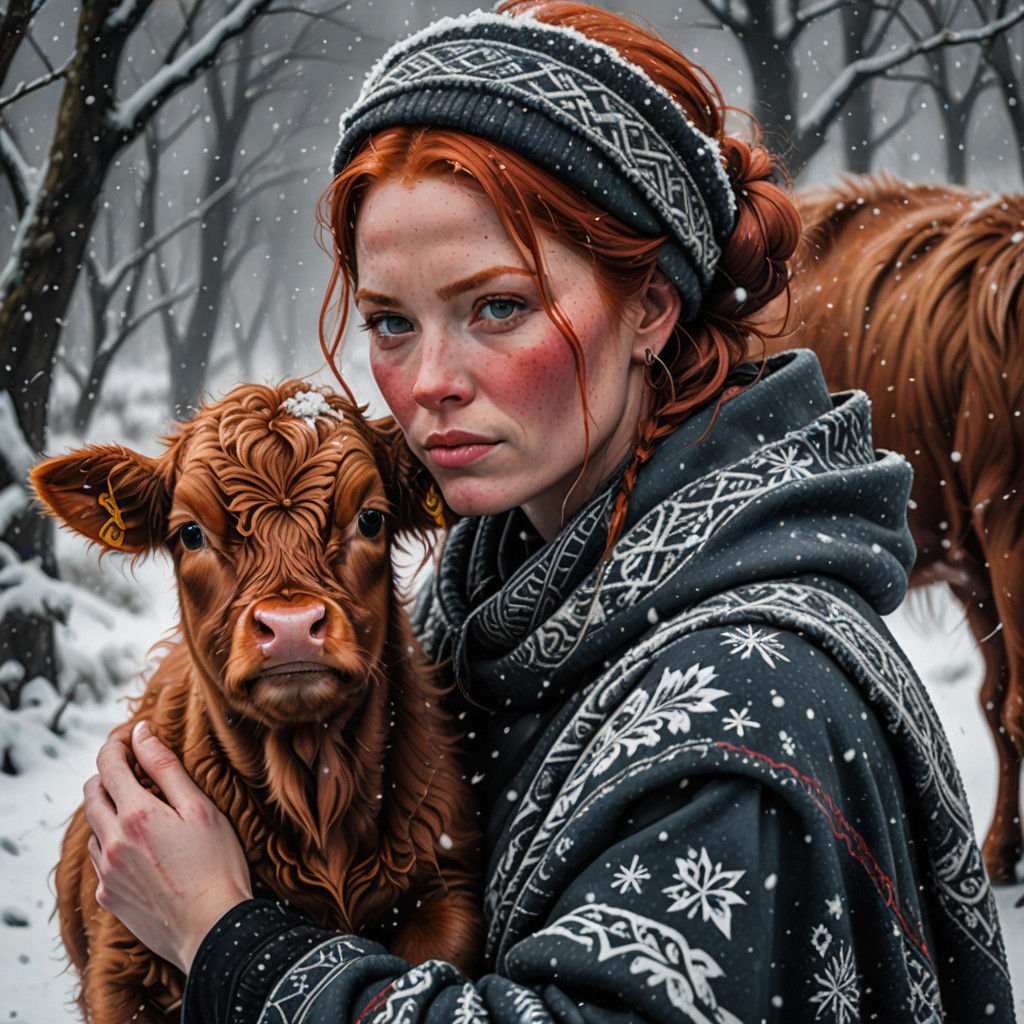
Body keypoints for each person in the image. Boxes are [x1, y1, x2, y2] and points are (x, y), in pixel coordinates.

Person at [82, 2, 1016, 1021]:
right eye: (391, 321)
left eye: (498, 307)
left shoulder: (750, 703)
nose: (428, 381)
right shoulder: (477, 613)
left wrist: (222, 933)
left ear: (649, 306)